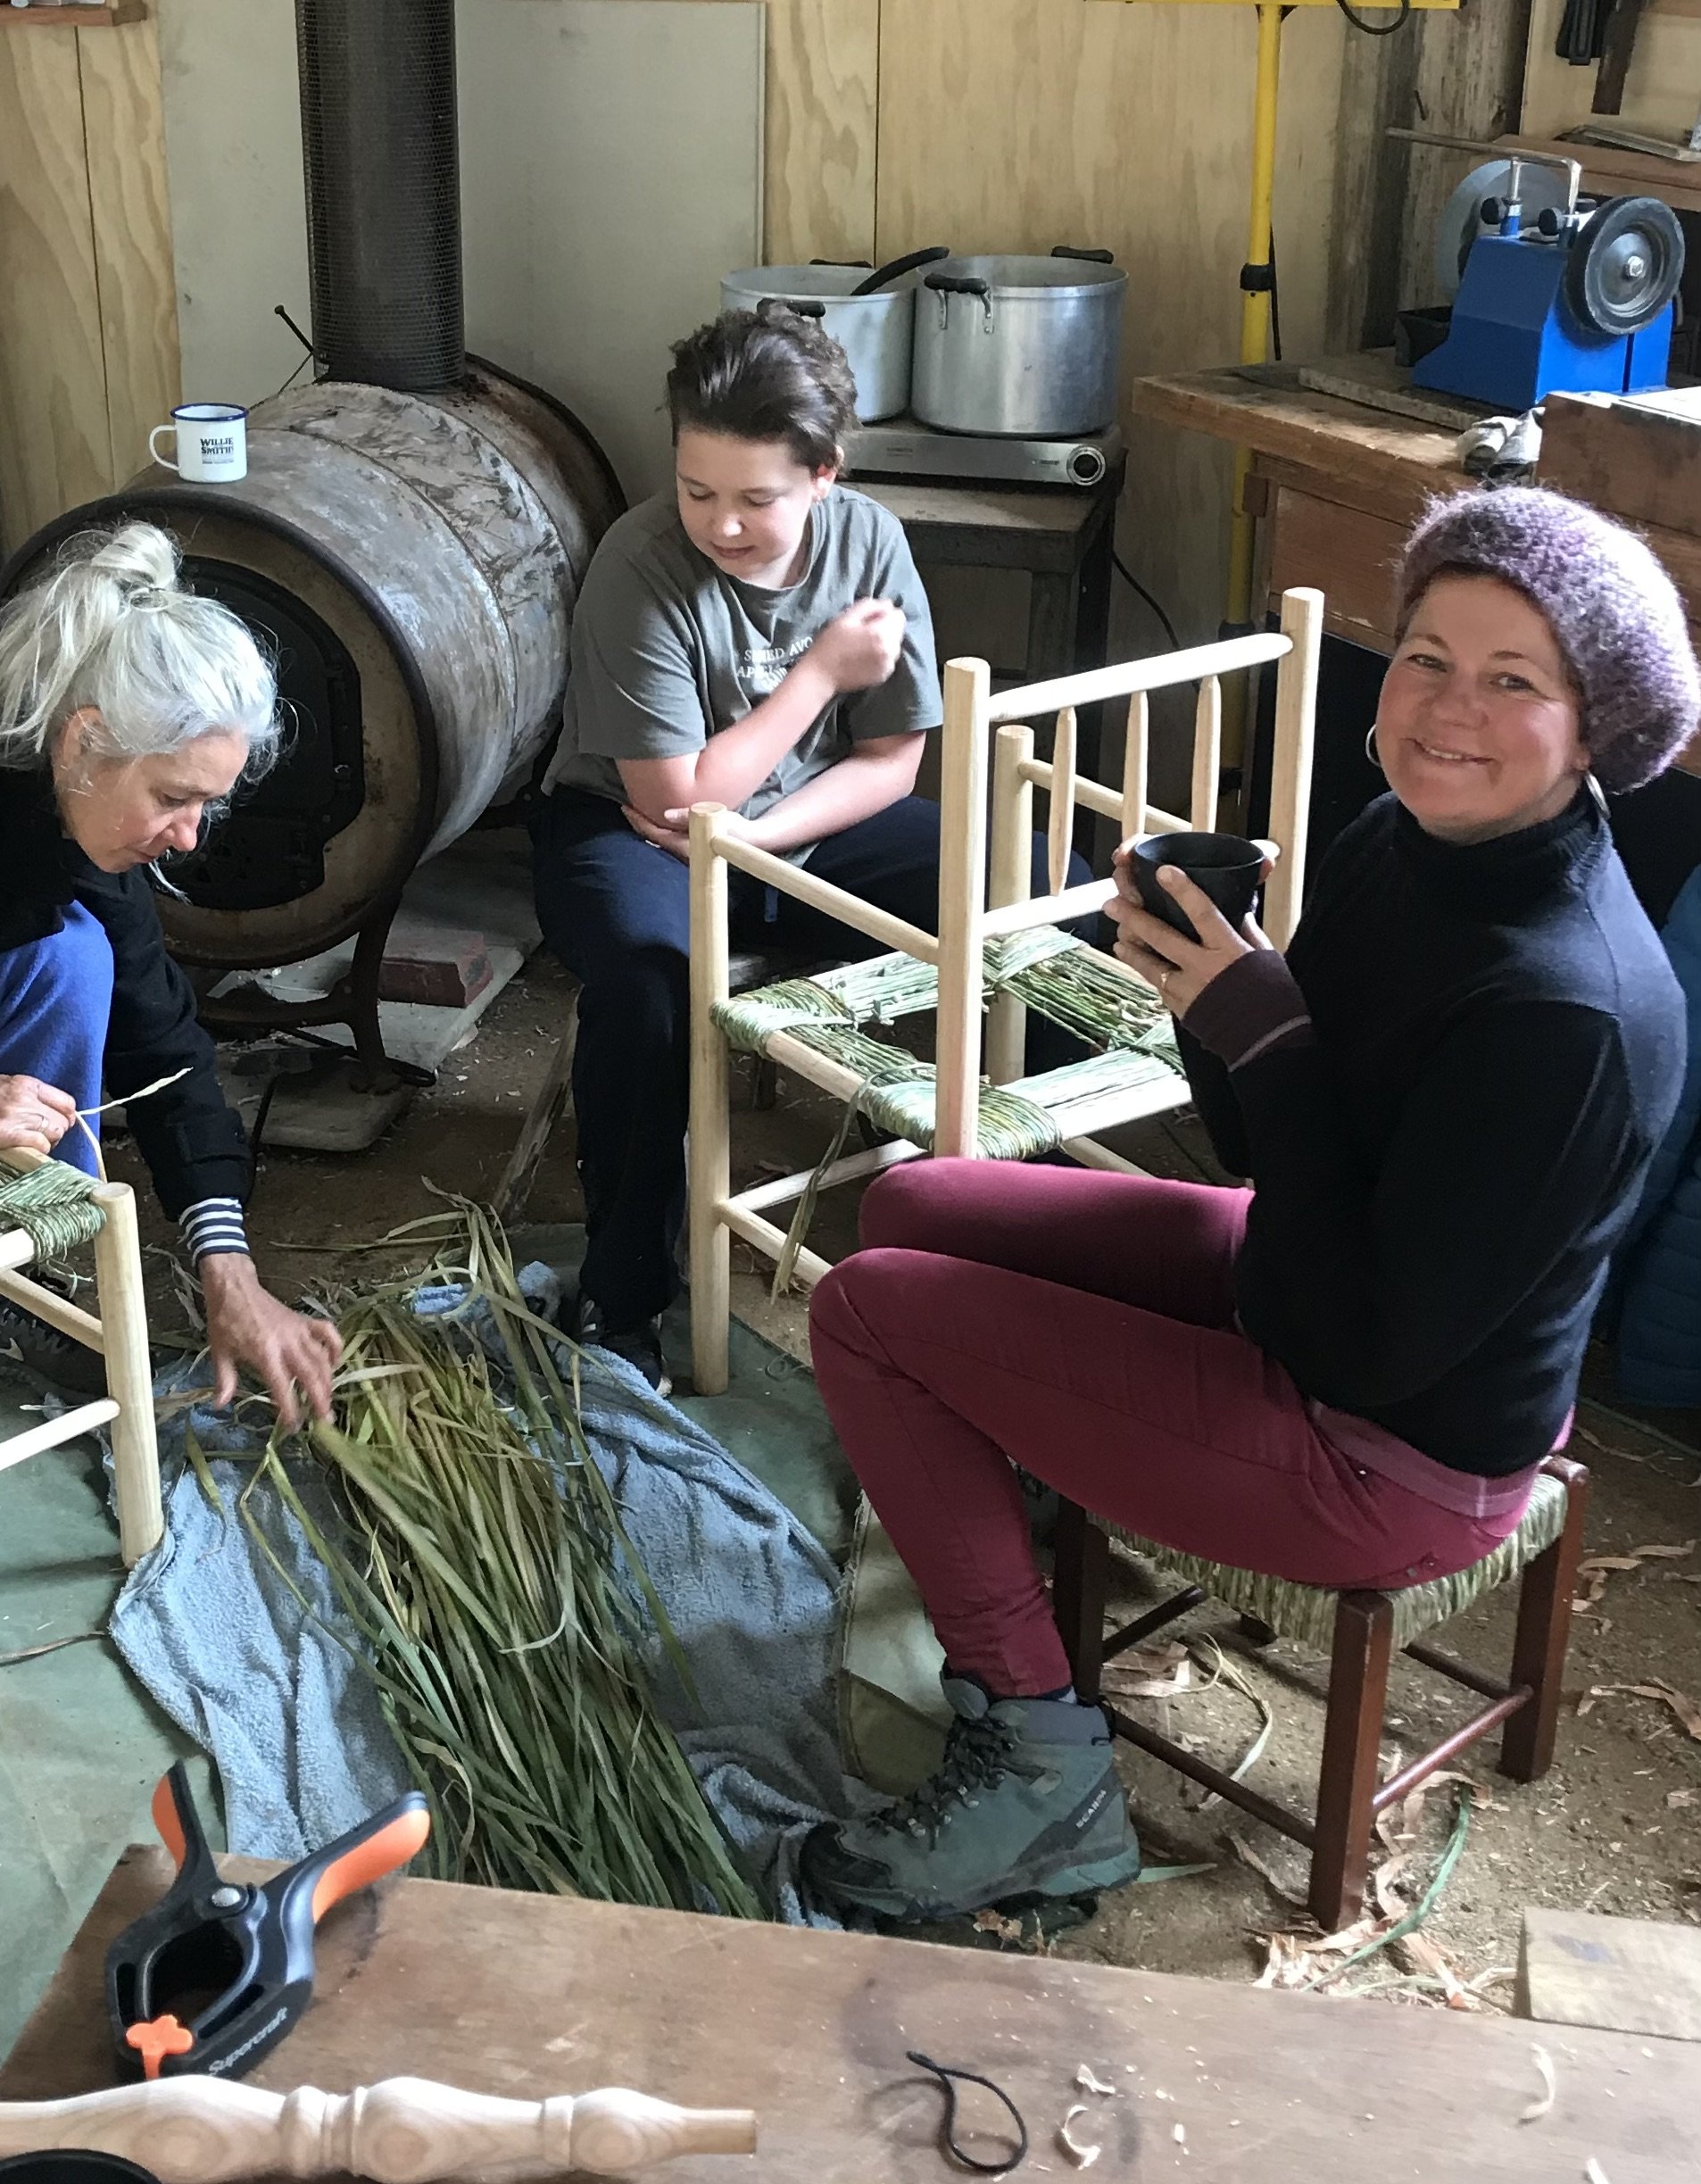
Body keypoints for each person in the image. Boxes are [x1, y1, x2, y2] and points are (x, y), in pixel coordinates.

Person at [801, 487, 1695, 1923]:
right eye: (1422, 657)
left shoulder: (1566, 1012)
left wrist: (1267, 1034)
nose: (1446, 709)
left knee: (865, 1318)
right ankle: (1016, 1476)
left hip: (1392, 1453)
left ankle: (1040, 1773)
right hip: (1306, 1272)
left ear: (1595, 727)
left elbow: (1370, 1345)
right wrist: (1206, 996)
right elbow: (1260, 1151)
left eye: (1512, 680)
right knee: (908, 1203)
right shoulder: (1391, 845)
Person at [0, 520, 341, 1430]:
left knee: (71, 954)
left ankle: (6, 1276)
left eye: (207, 806)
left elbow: (163, 1034)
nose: (189, 835)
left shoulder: (73, 819)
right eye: (174, 797)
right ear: (83, 741)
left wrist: (227, 1265)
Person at [530, 304, 943, 1389]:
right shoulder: (637, 562)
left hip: (795, 819)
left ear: (824, 475)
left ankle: (1025, 1217)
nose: (720, 525)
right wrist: (815, 674)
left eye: (756, 499)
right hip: (627, 833)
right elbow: (671, 807)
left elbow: (893, 762)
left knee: (1033, 883)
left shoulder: (870, 544)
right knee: (648, 983)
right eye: (696, 489)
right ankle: (620, 1296)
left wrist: (759, 834)